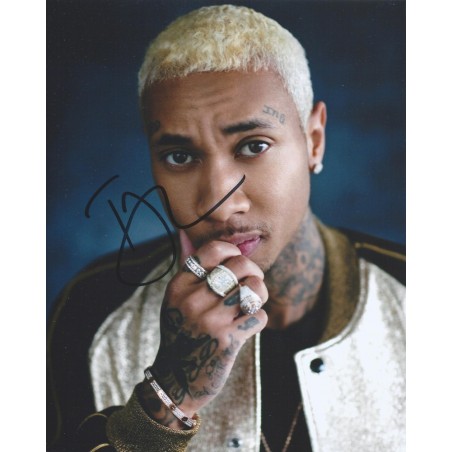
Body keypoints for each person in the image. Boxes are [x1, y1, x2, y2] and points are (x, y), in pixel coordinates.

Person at [47, 4, 405, 451]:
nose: (219, 204)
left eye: (253, 146)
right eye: (180, 156)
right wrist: (168, 398)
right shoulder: (91, 312)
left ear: (314, 141)